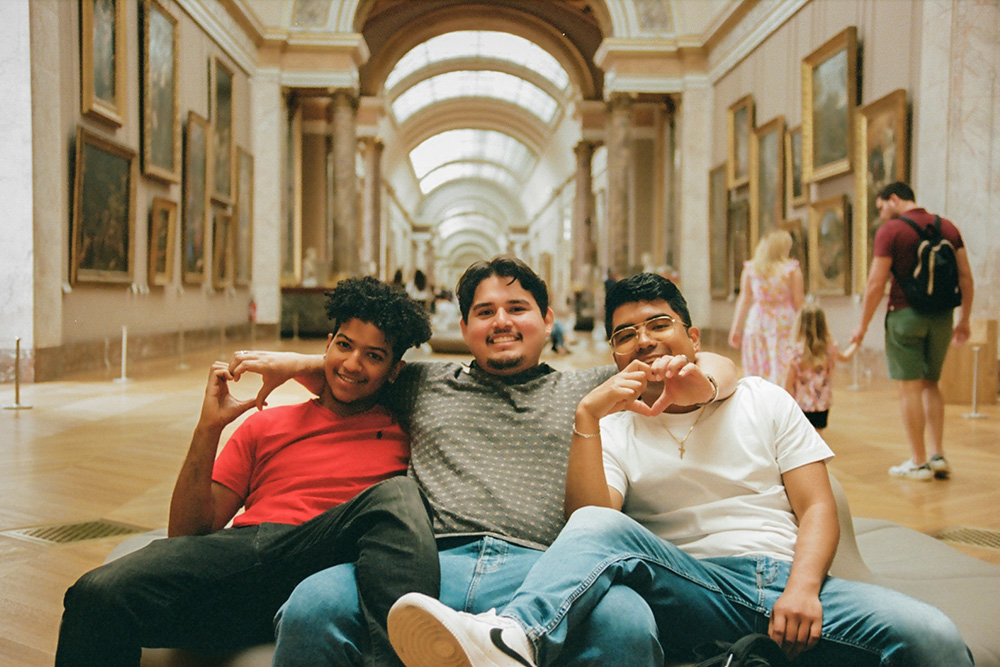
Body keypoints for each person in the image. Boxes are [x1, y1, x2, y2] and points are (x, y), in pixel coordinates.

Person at [387, 272, 973, 667]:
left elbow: (817, 505)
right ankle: (516, 638)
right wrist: (589, 418)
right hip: (692, 583)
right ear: (612, 356)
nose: (642, 341)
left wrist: (802, 587)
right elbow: (589, 523)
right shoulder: (615, 422)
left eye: (658, 325)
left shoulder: (762, 397)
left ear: (691, 335)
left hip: (791, 580)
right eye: (625, 334)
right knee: (596, 527)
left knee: (934, 637)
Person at [233, 256, 738, 666]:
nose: (501, 322)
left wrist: (707, 378)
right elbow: (356, 370)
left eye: (517, 308)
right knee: (312, 604)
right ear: (465, 327)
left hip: (544, 572)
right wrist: (291, 363)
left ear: (547, 321)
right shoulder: (423, 383)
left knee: (627, 622)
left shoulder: (591, 389)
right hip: (424, 566)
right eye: (484, 311)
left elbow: (706, 362)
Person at [55, 277, 438, 667]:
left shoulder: (407, 429)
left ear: (395, 370)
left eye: (374, 356)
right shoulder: (265, 425)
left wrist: (294, 365)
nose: (353, 364)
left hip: (330, 568)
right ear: (327, 344)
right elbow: (186, 534)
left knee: (399, 496)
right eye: (344, 345)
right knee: (95, 593)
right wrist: (208, 429)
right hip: (250, 569)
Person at [850, 182, 975, 481]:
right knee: (931, 384)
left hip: (905, 316)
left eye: (881, 207)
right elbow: (966, 278)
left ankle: (918, 461)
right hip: (942, 318)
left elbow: (876, 284)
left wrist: (862, 326)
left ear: (894, 199)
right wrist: (964, 320)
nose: (881, 214)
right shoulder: (948, 228)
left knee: (910, 388)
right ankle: (937, 454)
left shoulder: (891, 231)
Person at [728, 228, 805, 385]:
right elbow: (799, 301)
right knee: (782, 364)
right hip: (784, 321)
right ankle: (781, 398)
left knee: (757, 364)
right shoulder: (791, 269)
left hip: (757, 321)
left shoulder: (752, 269)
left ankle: (758, 399)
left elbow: (744, 299)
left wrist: (736, 328)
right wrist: (807, 328)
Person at [784, 303, 858, 431]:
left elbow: (788, 384)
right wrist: (856, 342)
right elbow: (845, 356)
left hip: (801, 404)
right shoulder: (829, 349)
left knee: (802, 437)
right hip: (822, 404)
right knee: (818, 436)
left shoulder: (796, 353)